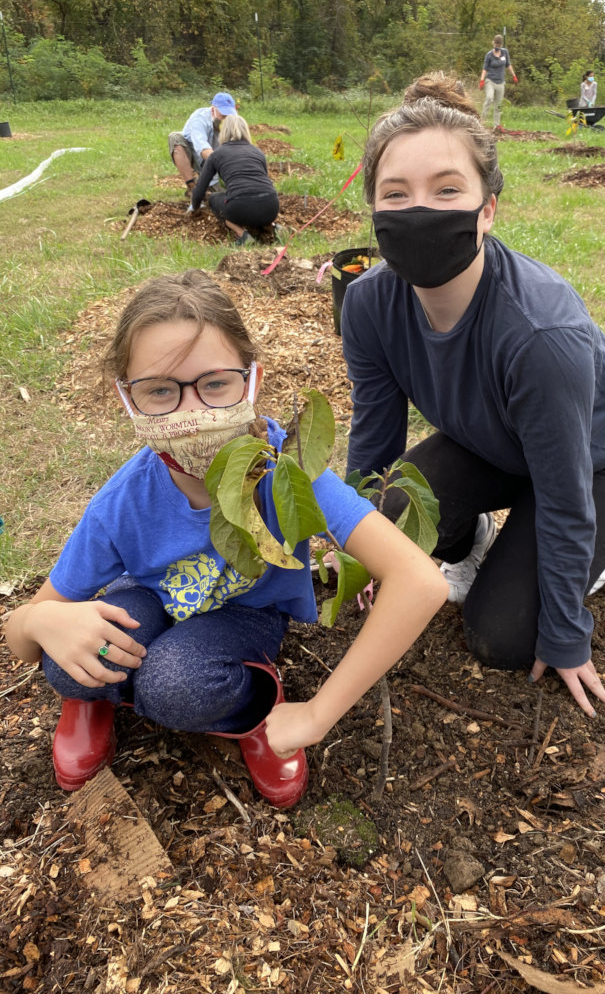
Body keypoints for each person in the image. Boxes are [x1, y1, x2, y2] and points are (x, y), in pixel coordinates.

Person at [4, 270, 447, 805]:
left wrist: (316, 714)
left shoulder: (288, 471)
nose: (192, 413)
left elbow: (420, 582)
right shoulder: (124, 503)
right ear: (128, 398)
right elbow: (21, 639)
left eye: (215, 383)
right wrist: (37, 619)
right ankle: (95, 697)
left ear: (251, 380)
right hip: (148, 602)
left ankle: (252, 712)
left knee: (176, 687)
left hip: (242, 615)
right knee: (66, 658)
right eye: (160, 391)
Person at [341, 94, 605, 719]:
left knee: (503, 637)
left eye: (446, 189)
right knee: (396, 507)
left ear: (487, 210)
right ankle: (481, 535)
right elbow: (375, 439)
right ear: (374, 208)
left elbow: (565, 494)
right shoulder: (369, 304)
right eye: (396, 193)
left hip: (594, 457)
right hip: (490, 438)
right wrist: (362, 543)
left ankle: (580, 565)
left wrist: (566, 629)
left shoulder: (539, 333)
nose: (419, 209)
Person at [188, 115, 279, 247]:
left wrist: (195, 208)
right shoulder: (258, 152)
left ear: (223, 132)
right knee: (257, 199)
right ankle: (273, 227)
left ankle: (242, 234)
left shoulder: (216, 154)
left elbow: (201, 188)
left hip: (239, 208)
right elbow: (263, 182)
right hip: (271, 206)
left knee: (214, 199)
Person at [168, 92, 237, 198]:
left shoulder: (233, 121)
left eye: (229, 114)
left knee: (229, 191)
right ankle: (192, 187)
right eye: (223, 114)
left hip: (219, 159)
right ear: (214, 108)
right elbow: (203, 149)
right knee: (175, 138)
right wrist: (222, 165)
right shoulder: (199, 119)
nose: (226, 118)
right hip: (198, 155)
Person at [479, 35, 517, 128]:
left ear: (501, 44)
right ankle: (481, 122)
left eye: (499, 45)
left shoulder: (505, 52)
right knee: (489, 98)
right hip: (490, 81)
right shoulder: (489, 55)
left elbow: (508, 65)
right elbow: (485, 69)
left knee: (499, 105)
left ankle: (497, 125)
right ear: (493, 43)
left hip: (501, 82)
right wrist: (482, 80)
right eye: (496, 44)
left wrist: (514, 76)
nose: (497, 46)